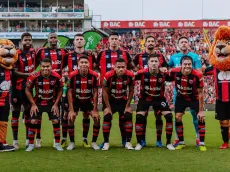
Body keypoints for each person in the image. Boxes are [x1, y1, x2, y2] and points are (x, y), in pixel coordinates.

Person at [96, 32, 137, 147]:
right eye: (112, 39)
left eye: (116, 39)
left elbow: (132, 66)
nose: (114, 40)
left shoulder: (125, 53)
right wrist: (101, 75)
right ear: (108, 41)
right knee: (107, 115)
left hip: (121, 90)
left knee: (124, 117)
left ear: (119, 40)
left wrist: (138, 70)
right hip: (108, 91)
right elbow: (95, 67)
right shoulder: (102, 53)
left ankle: (125, 141)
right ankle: (105, 142)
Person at [61, 33, 97, 148]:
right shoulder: (68, 55)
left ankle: (85, 139)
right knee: (66, 114)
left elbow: (95, 68)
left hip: (86, 89)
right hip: (72, 87)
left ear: (85, 42)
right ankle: (64, 139)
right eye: (77, 39)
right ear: (74, 42)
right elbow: (62, 68)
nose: (80, 41)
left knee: (86, 114)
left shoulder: (90, 55)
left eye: (82, 39)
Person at [133, 35, 169, 147]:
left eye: (152, 41)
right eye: (148, 41)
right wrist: (140, 71)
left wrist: (163, 69)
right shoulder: (139, 56)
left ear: (155, 43)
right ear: (145, 43)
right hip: (146, 92)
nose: (150, 43)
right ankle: (142, 140)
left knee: (159, 116)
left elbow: (166, 68)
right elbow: (132, 65)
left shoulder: (160, 56)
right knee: (143, 116)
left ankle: (159, 140)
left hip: (158, 93)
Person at [134, 54, 175, 151]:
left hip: (159, 99)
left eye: (156, 61)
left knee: (169, 116)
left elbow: (175, 76)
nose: (154, 63)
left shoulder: (164, 74)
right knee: (139, 117)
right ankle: (140, 142)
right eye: (151, 61)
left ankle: (168, 143)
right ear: (147, 63)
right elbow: (130, 79)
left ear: (159, 63)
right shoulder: (141, 73)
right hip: (145, 99)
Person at [168, 36, 202, 146]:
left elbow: (199, 72)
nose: (183, 44)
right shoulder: (174, 57)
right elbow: (168, 70)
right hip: (178, 92)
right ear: (178, 44)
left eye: (185, 42)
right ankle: (178, 138)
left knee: (195, 115)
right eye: (181, 42)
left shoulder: (195, 57)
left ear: (189, 44)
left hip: (192, 92)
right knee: (177, 115)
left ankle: (198, 137)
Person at [36, 32, 68, 147]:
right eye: (51, 38)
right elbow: (36, 64)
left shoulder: (63, 52)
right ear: (48, 39)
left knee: (56, 114)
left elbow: (64, 65)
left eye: (55, 38)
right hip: (41, 85)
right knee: (37, 115)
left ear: (57, 40)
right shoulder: (41, 51)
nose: (53, 40)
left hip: (56, 86)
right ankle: (38, 138)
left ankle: (56, 140)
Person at [25, 58, 63, 152]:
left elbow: (60, 89)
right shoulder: (34, 76)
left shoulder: (57, 77)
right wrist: (33, 104)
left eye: (48, 66)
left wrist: (56, 104)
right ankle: (31, 145)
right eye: (43, 66)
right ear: (40, 67)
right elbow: (27, 89)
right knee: (33, 121)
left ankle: (57, 144)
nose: (45, 68)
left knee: (55, 120)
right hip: (38, 103)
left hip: (51, 103)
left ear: (51, 66)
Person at [170, 55, 206, 151]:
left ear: (192, 65)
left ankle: (201, 143)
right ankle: (181, 142)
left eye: (189, 64)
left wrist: (201, 110)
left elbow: (201, 93)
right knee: (177, 117)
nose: (187, 66)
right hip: (180, 98)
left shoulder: (198, 75)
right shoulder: (174, 72)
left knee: (200, 117)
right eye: (185, 64)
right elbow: (165, 77)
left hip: (194, 98)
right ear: (181, 65)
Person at [67, 55, 100, 150]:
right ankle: (72, 142)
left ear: (89, 64)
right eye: (82, 62)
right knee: (70, 118)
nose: (84, 64)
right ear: (78, 64)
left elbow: (95, 92)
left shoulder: (94, 75)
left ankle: (92, 141)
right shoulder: (72, 75)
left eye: (86, 62)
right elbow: (69, 92)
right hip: (76, 101)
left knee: (96, 118)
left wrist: (95, 109)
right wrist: (72, 110)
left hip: (88, 101)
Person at [102, 58, 134, 150]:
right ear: (114, 67)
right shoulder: (108, 76)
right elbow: (104, 92)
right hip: (110, 100)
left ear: (126, 67)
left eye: (123, 67)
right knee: (107, 117)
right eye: (118, 67)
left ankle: (127, 142)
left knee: (127, 116)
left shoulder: (130, 75)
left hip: (122, 100)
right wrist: (107, 107)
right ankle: (106, 142)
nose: (121, 69)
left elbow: (131, 90)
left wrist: (128, 106)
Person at [11, 32, 36, 149]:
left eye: (29, 40)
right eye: (25, 40)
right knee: (15, 112)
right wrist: (27, 75)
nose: (27, 42)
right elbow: (14, 71)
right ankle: (15, 141)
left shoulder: (33, 53)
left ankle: (27, 140)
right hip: (17, 88)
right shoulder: (16, 54)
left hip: (29, 88)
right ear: (21, 41)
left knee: (27, 113)